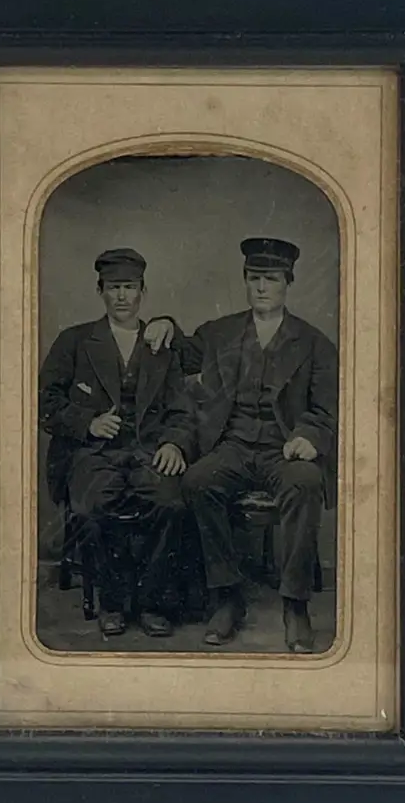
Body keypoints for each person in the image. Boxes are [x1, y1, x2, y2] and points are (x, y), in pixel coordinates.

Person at [143, 237, 338, 653]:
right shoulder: (221, 332)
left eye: (271, 279)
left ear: (288, 284)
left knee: (305, 482)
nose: (261, 287)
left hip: (283, 449)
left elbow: (326, 407)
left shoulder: (314, 343)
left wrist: (308, 436)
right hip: (232, 447)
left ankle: (295, 604)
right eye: (254, 279)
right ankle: (227, 596)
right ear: (246, 283)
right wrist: (162, 321)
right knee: (198, 480)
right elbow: (181, 347)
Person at [39, 247, 195, 637]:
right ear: (100, 291)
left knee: (172, 505)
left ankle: (152, 603)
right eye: (113, 288)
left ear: (143, 291)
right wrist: (87, 422)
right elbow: (44, 402)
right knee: (91, 509)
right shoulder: (75, 341)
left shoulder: (160, 345)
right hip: (92, 454)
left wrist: (174, 444)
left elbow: (182, 410)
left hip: (147, 452)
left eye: (129, 287)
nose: (122, 296)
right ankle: (113, 600)